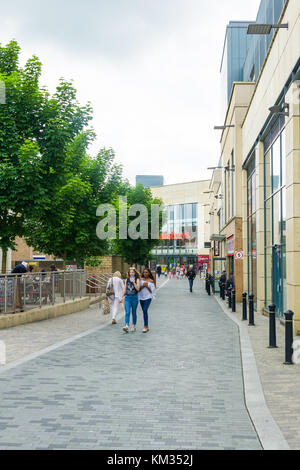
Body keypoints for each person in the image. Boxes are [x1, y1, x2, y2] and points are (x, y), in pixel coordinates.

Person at [120, 268, 141, 333]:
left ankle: (134, 325)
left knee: (134, 312)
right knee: (127, 312)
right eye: (130, 272)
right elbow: (125, 289)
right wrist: (121, 297)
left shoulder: (137, 280)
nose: (131, 273)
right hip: (127, 298)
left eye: (133, 272)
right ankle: (126, 325)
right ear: (129, 273)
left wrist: (134, 282)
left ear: (135, 273)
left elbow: (138, 289)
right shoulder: (127, 280)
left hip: (134, 297)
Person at [139, 268, 156, 333]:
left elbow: (152, 291)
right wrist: (143, 286)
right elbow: (138, 290)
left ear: (149, 273)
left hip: (148, 297)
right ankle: (147, 326)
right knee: (144, 311)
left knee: (145, 310)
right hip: (141, 297)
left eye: (146, 272)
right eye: (144, 272)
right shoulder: (140, 280)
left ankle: (145, 326)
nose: (145, 273)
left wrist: (147, 286)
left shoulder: (151, 281)